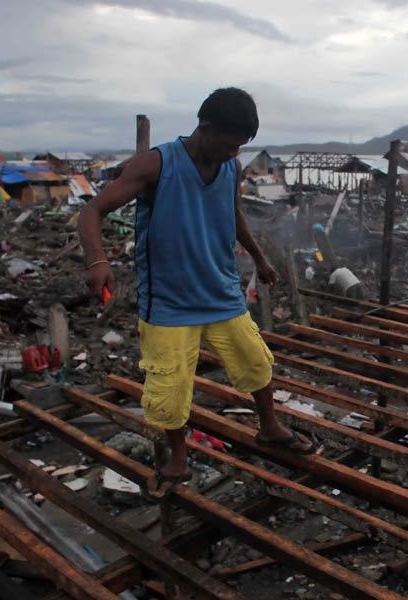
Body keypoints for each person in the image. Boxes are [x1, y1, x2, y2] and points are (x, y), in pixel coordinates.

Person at [79, 87, 315, 498]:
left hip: (220, 290)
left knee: (256, 362)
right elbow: (92, 211)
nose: (233, 153)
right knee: (169, 388)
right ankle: (177, 457)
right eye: (229, 144)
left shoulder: (230, 167)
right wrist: (98, 261)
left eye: (239, 147)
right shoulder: (155, 164)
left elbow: (233, 212)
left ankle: (269, 427)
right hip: (168, 302)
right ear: (204, 128)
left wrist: (259, 258)